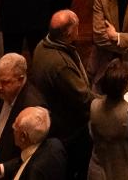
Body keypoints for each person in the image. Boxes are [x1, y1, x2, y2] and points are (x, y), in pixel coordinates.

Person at [28, 11, 93, 177]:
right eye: (77, 27)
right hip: (70, 129)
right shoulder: (61, 65)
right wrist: (110, 101)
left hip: (54, 120)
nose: (79, 30)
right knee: (77, 170)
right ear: (68, 33)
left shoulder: (41, 46)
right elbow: (84, 98)